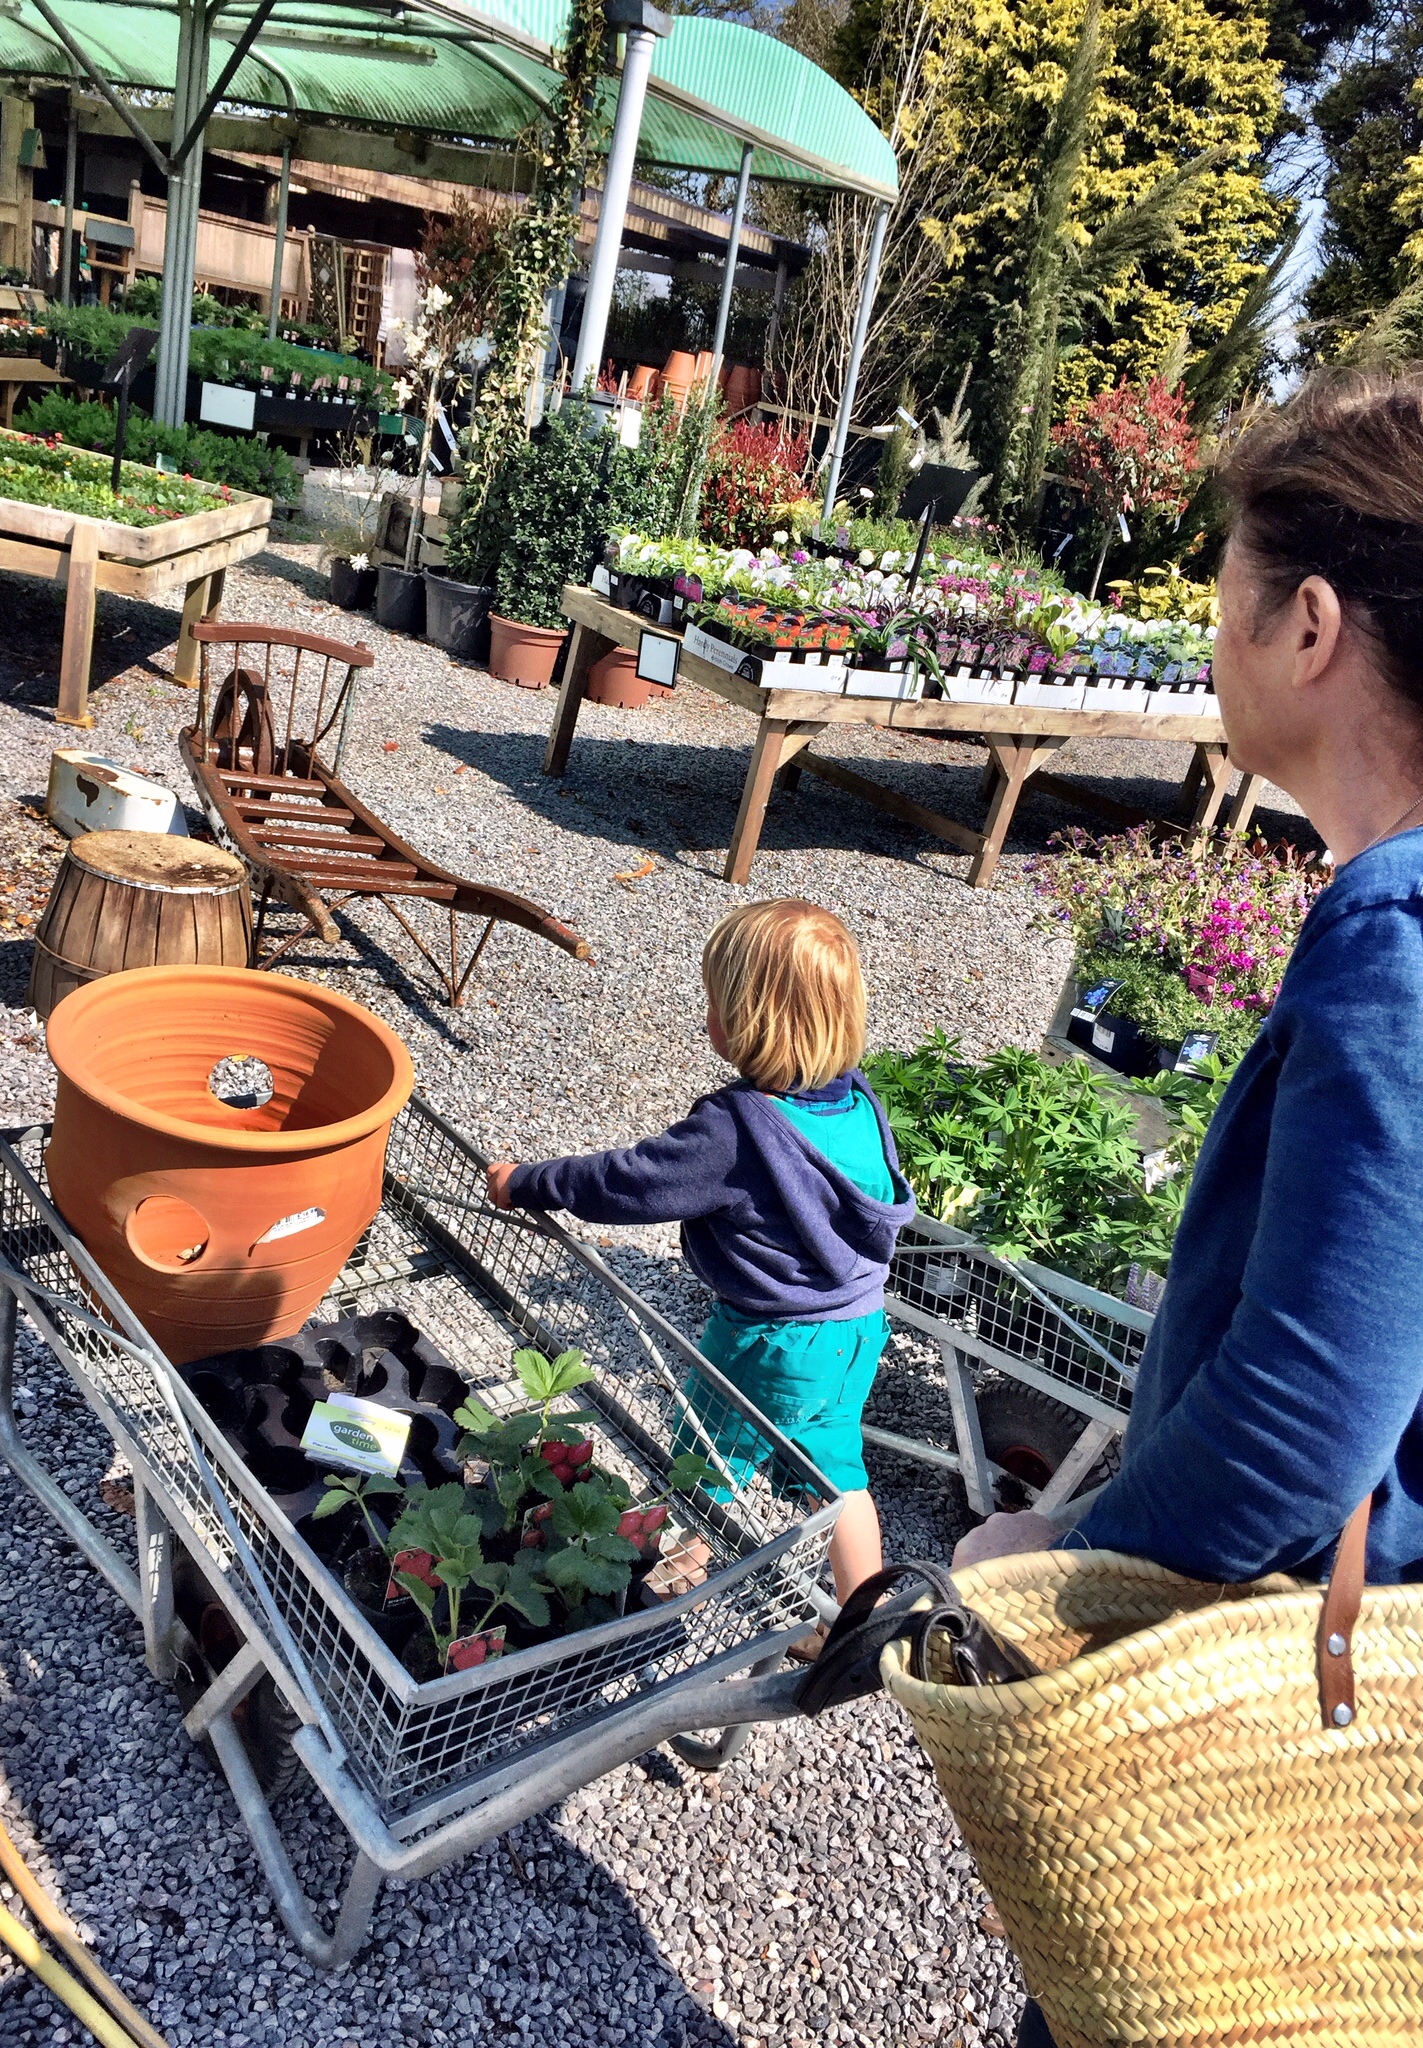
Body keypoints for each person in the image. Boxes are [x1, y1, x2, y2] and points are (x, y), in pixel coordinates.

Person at [954, 365, 1423, 2046]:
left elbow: (1309, 1406)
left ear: (1310, 627)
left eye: (1224, 600)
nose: (1211, 640)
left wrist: (1067, 1562)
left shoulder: (1396, 944)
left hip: (1287, 1667)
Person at [486, 897, 915, 1609]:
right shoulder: (856, 1105)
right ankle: (863, 1622)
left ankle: (660, 1595)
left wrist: (525, 1183)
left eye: (716, 1001)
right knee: (839, 1478)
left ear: (747, 1021)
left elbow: (630, 1183)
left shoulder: (738, 1130)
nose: (706, 1014)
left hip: (769, 1339)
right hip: (855, 1330)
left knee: (704, 1463)